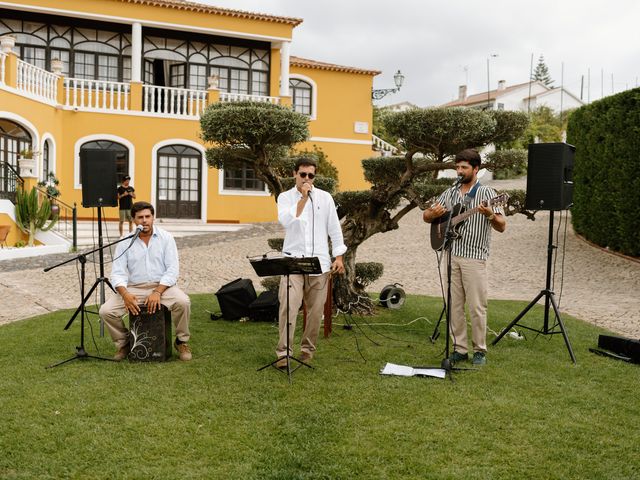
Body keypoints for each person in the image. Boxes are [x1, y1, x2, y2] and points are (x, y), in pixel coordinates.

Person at [422, 149, 506, 366]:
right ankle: (459, 349)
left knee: (477, 306)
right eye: (457, 167)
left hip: (475, 257)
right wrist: (433, 214)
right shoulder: (450, 193)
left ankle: (480, 350)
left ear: (476, 169)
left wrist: (489, 215)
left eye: (464, 168)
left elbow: (502, 226)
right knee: (454, 305)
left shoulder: (488, 194)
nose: (459, 171)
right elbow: (426, 216)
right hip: (451, 254)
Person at [275, 157, 346, 367]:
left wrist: (339, 256)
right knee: (288, 306)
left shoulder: (325, 198)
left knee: (316, 311)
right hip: (293, 262)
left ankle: (307, 350)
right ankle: (283, 354)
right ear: (295, 174)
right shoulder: (285, 197)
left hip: (319, 264)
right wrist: (303, 198)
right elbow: (287, 221)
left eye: (311, 175)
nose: (306, 179)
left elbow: (334, 228)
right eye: (303, 174)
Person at [99, 201, 192, 361]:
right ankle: (125, 343)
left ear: (153, 217)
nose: (144, 220)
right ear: (134, 220)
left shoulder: (166, 238)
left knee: (183, 302)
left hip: (162, 287)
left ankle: (181, 341)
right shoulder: (124, 241)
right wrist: (125, 294)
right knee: (106, 311)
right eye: (140, 217)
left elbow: (172, 270)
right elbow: (117, 273)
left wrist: (157, 291)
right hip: (134, 288)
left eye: (148, 216)